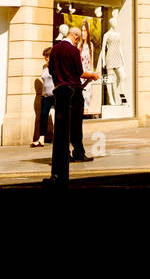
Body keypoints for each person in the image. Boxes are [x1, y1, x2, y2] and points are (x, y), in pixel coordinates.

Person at [47, 26, 100, 182]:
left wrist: (59, 80)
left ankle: (64, 154)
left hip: (59, 91)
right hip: (74, 92)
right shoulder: (73, 51)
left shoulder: (54, 50)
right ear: (76, 37)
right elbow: (79, 72)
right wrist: (93, 75)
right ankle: (78, 151)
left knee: (62, 124)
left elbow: (51, 70)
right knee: (76, 124)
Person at [34, 47, 55, 147]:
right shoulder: (44, 67)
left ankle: (59, 137)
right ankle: (41, 138)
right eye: (45, 56)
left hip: (55, 95)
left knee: (58, 116)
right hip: (46, 95)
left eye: (48, 56)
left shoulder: (55, 66)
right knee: (43, 115)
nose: (46, 58)